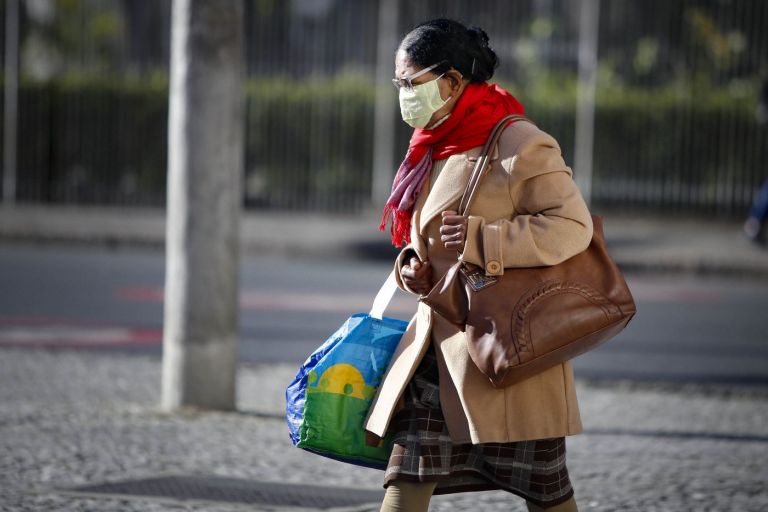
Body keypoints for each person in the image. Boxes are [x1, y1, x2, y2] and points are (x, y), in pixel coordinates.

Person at [366, 19, 593, 512]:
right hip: (439, 350)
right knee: (405, 478)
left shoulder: (520, 143)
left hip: (508, 354)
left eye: (412, 82)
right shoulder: (433, 142)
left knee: (548, 496)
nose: (403, 94)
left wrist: (483, 239)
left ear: (451, 81)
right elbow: (429, 235)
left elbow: (573, 227)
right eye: (398, 83)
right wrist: (418, 268)